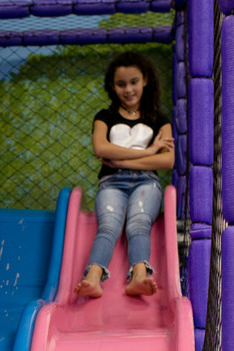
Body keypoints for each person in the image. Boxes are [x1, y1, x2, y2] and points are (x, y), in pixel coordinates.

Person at [73, 51, 174, 300]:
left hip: (146, 183)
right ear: (112, 86)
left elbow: (167, 160)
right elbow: (101, 148)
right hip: (112, 183)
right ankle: (93, 279)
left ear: (145, 80)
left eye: (134, 82)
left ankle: (139, 276)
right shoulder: (104, 117)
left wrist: (120, 159)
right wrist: (148, 152)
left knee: (139, 224)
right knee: (108, 226)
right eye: (121, 84)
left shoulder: (158, 119)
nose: (128, 89)